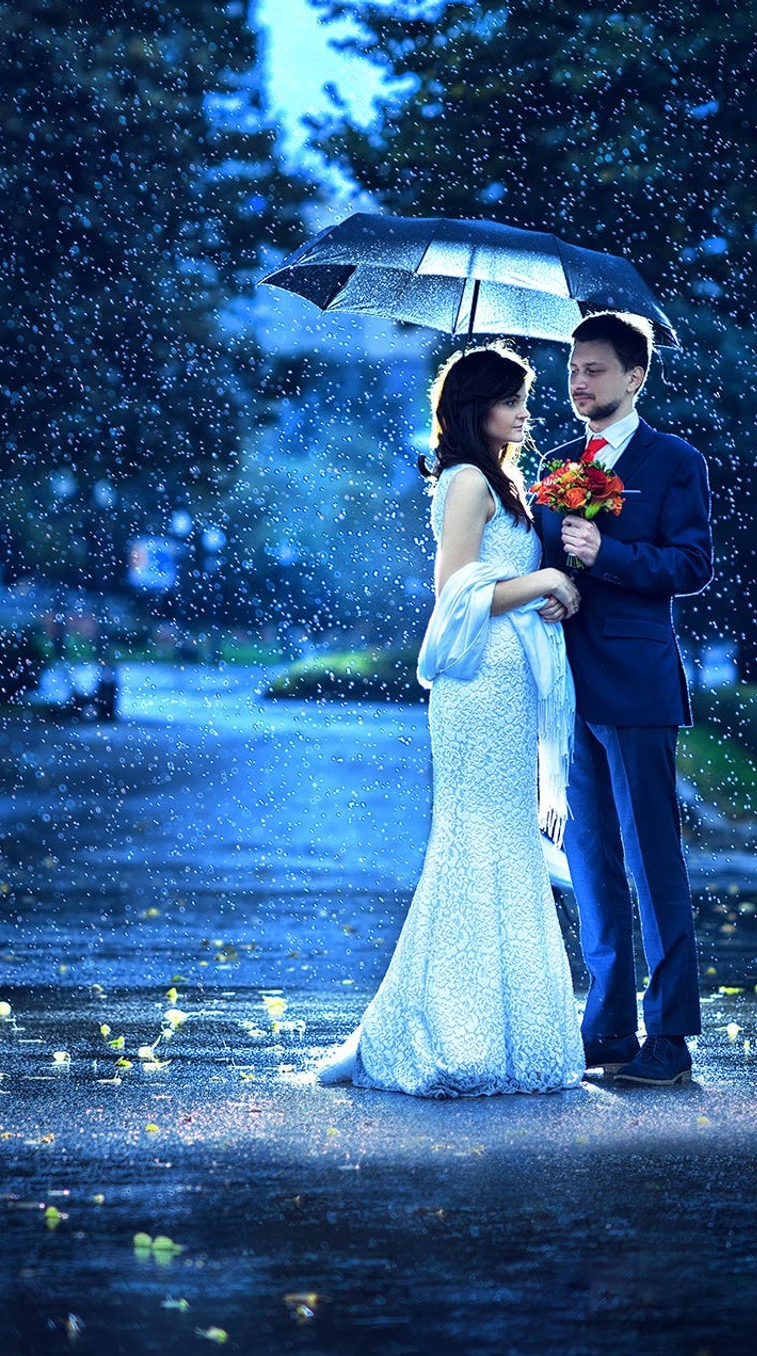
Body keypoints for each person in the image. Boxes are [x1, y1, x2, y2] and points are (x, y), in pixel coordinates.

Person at [315, 344, 587, 1097]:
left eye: (526, 399)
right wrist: (543, 579)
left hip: (514, 680)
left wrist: (556, 589)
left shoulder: (507, 481)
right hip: (476, 687)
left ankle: (505, 1033)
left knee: (504, 843)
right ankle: (429, 1034)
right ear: (478, 408)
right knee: (470, 843)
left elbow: (514, 585)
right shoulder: (467, 481)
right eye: (513, 399)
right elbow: (456, 592)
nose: (528, 412)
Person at [535, 312, 713, 1087]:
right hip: (567, 687)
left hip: (638, 688)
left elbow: (690, 563)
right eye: (574, 367)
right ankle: (606, 1027)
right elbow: (542, 558)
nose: (580, 381)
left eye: (597, 368)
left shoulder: (675, 461)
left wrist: (610, 555)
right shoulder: (556, 460)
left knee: (652, 865)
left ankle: (670, 1036)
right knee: (591, 865)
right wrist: (556, 583)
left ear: (636, 377)